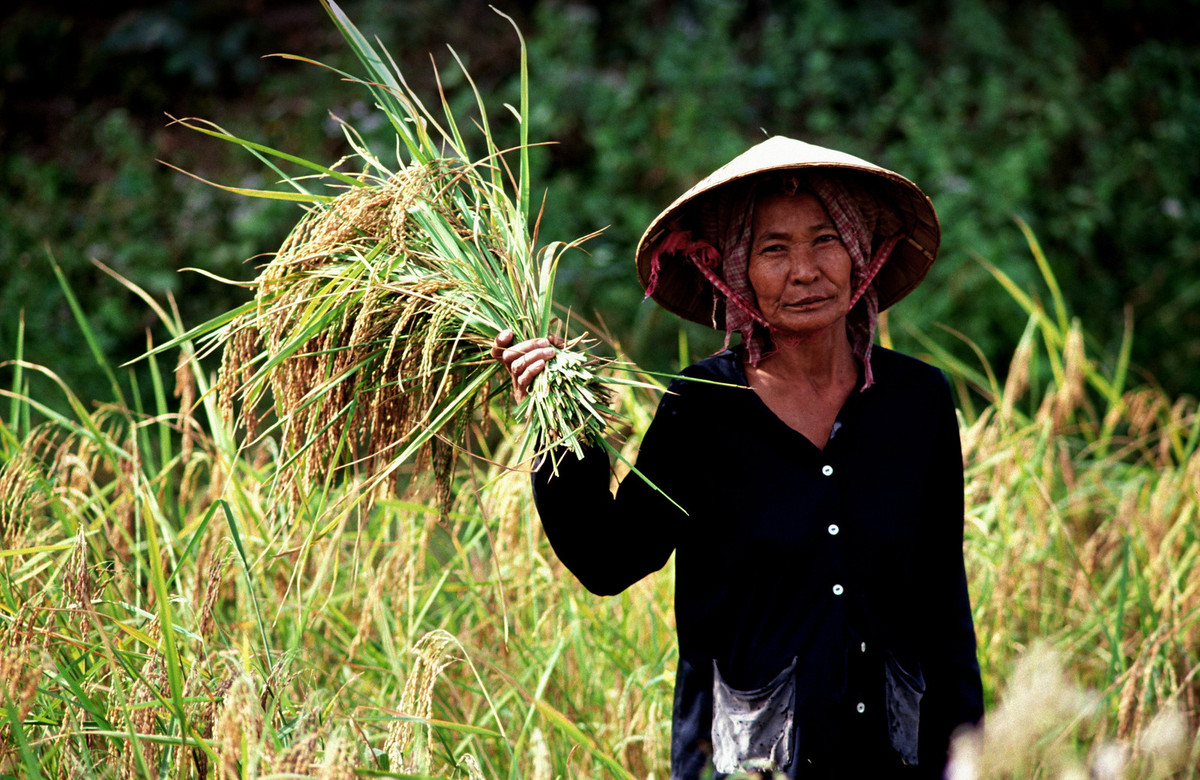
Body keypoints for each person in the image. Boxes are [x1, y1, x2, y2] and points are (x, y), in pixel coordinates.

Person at [492, 136, 983, 779]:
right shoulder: (702, 408)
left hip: (894, 760)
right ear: (735, 270)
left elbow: (943, 604)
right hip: (745, 764)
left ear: (859, 251)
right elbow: (609, 558)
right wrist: (562, 420)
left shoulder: (915, 402)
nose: (804, 271)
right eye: (773, 249)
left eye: (826, 239)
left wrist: (972, 761)